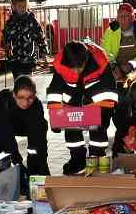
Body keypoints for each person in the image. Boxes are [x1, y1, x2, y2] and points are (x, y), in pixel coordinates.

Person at [45, 41, 118, 175]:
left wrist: (106, 112)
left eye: (81, 67)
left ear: (87, 59)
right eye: (74, 68)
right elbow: (55, 91)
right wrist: (54, 116)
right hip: (73, 101)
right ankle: (77, 159)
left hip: (96, 103)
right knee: (71, 130)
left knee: (99, 130)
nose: (78, 71)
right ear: (67, 63)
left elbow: (109, 89)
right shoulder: (60, 66)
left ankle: (97, 157)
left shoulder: (100, 63)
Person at [0, 75, 50, 176]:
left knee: (41, 126)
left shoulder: (36, 105)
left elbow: (40, 140)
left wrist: (41, 164)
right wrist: (18, 163)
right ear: (14, 95)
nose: (25, 102)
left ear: (34, 95)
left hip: (18, 124)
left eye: (30, 98)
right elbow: (7, 136)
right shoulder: (3, 101)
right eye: (21, 97)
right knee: (0, 158)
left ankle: (35, 168)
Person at [102, 2, 136, 77]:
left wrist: (133, 64)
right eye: (120, 16)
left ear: (133, 17)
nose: (123, 19)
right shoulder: (110, 32)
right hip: (117, 70)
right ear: (117, 18)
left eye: (126, 16)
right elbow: (105, 53)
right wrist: (114, 66)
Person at [2, 0, 46, 78]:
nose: (22, 8)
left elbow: (40, 35)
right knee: (17, 80)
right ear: (14, 7)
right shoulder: (11, 22)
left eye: (24, 6)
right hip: (15, 57)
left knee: (27, 80)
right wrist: (6, 46)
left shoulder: (32, 20)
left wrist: (43, 50)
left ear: (27, 6)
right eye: (19, 6)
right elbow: (6, 36)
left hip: (28, 57)